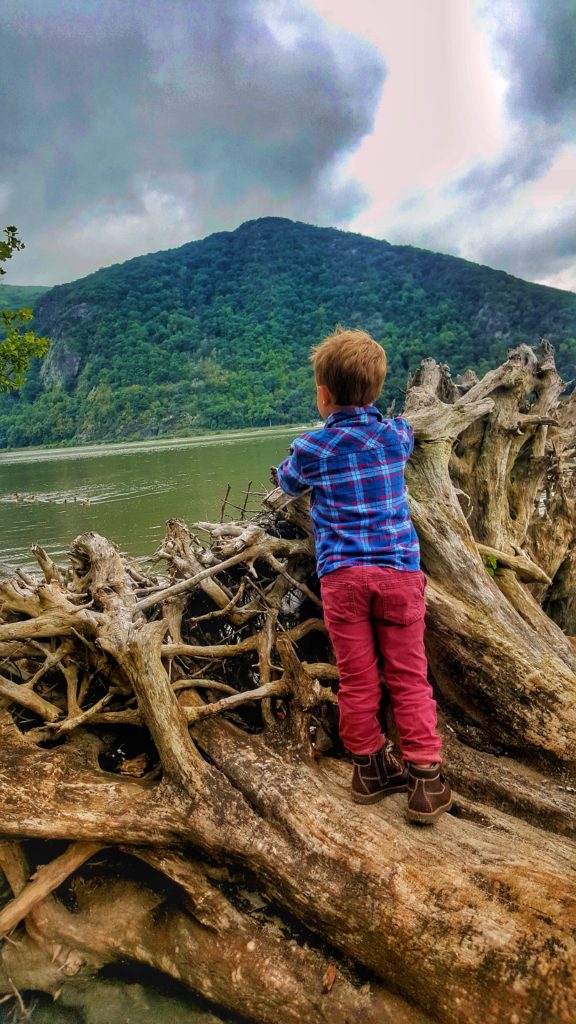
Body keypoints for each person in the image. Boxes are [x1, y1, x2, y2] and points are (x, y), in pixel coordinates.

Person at [275, 327, 452, 824]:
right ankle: (425, 780)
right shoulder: (395, 435)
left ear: (322, 395)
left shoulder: (312, 449)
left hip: (344, 580)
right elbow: (412, 432)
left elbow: (287, 481)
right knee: (409, 678)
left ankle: (369, 769)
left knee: (358, 680)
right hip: (398, 575)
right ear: (376, 391)